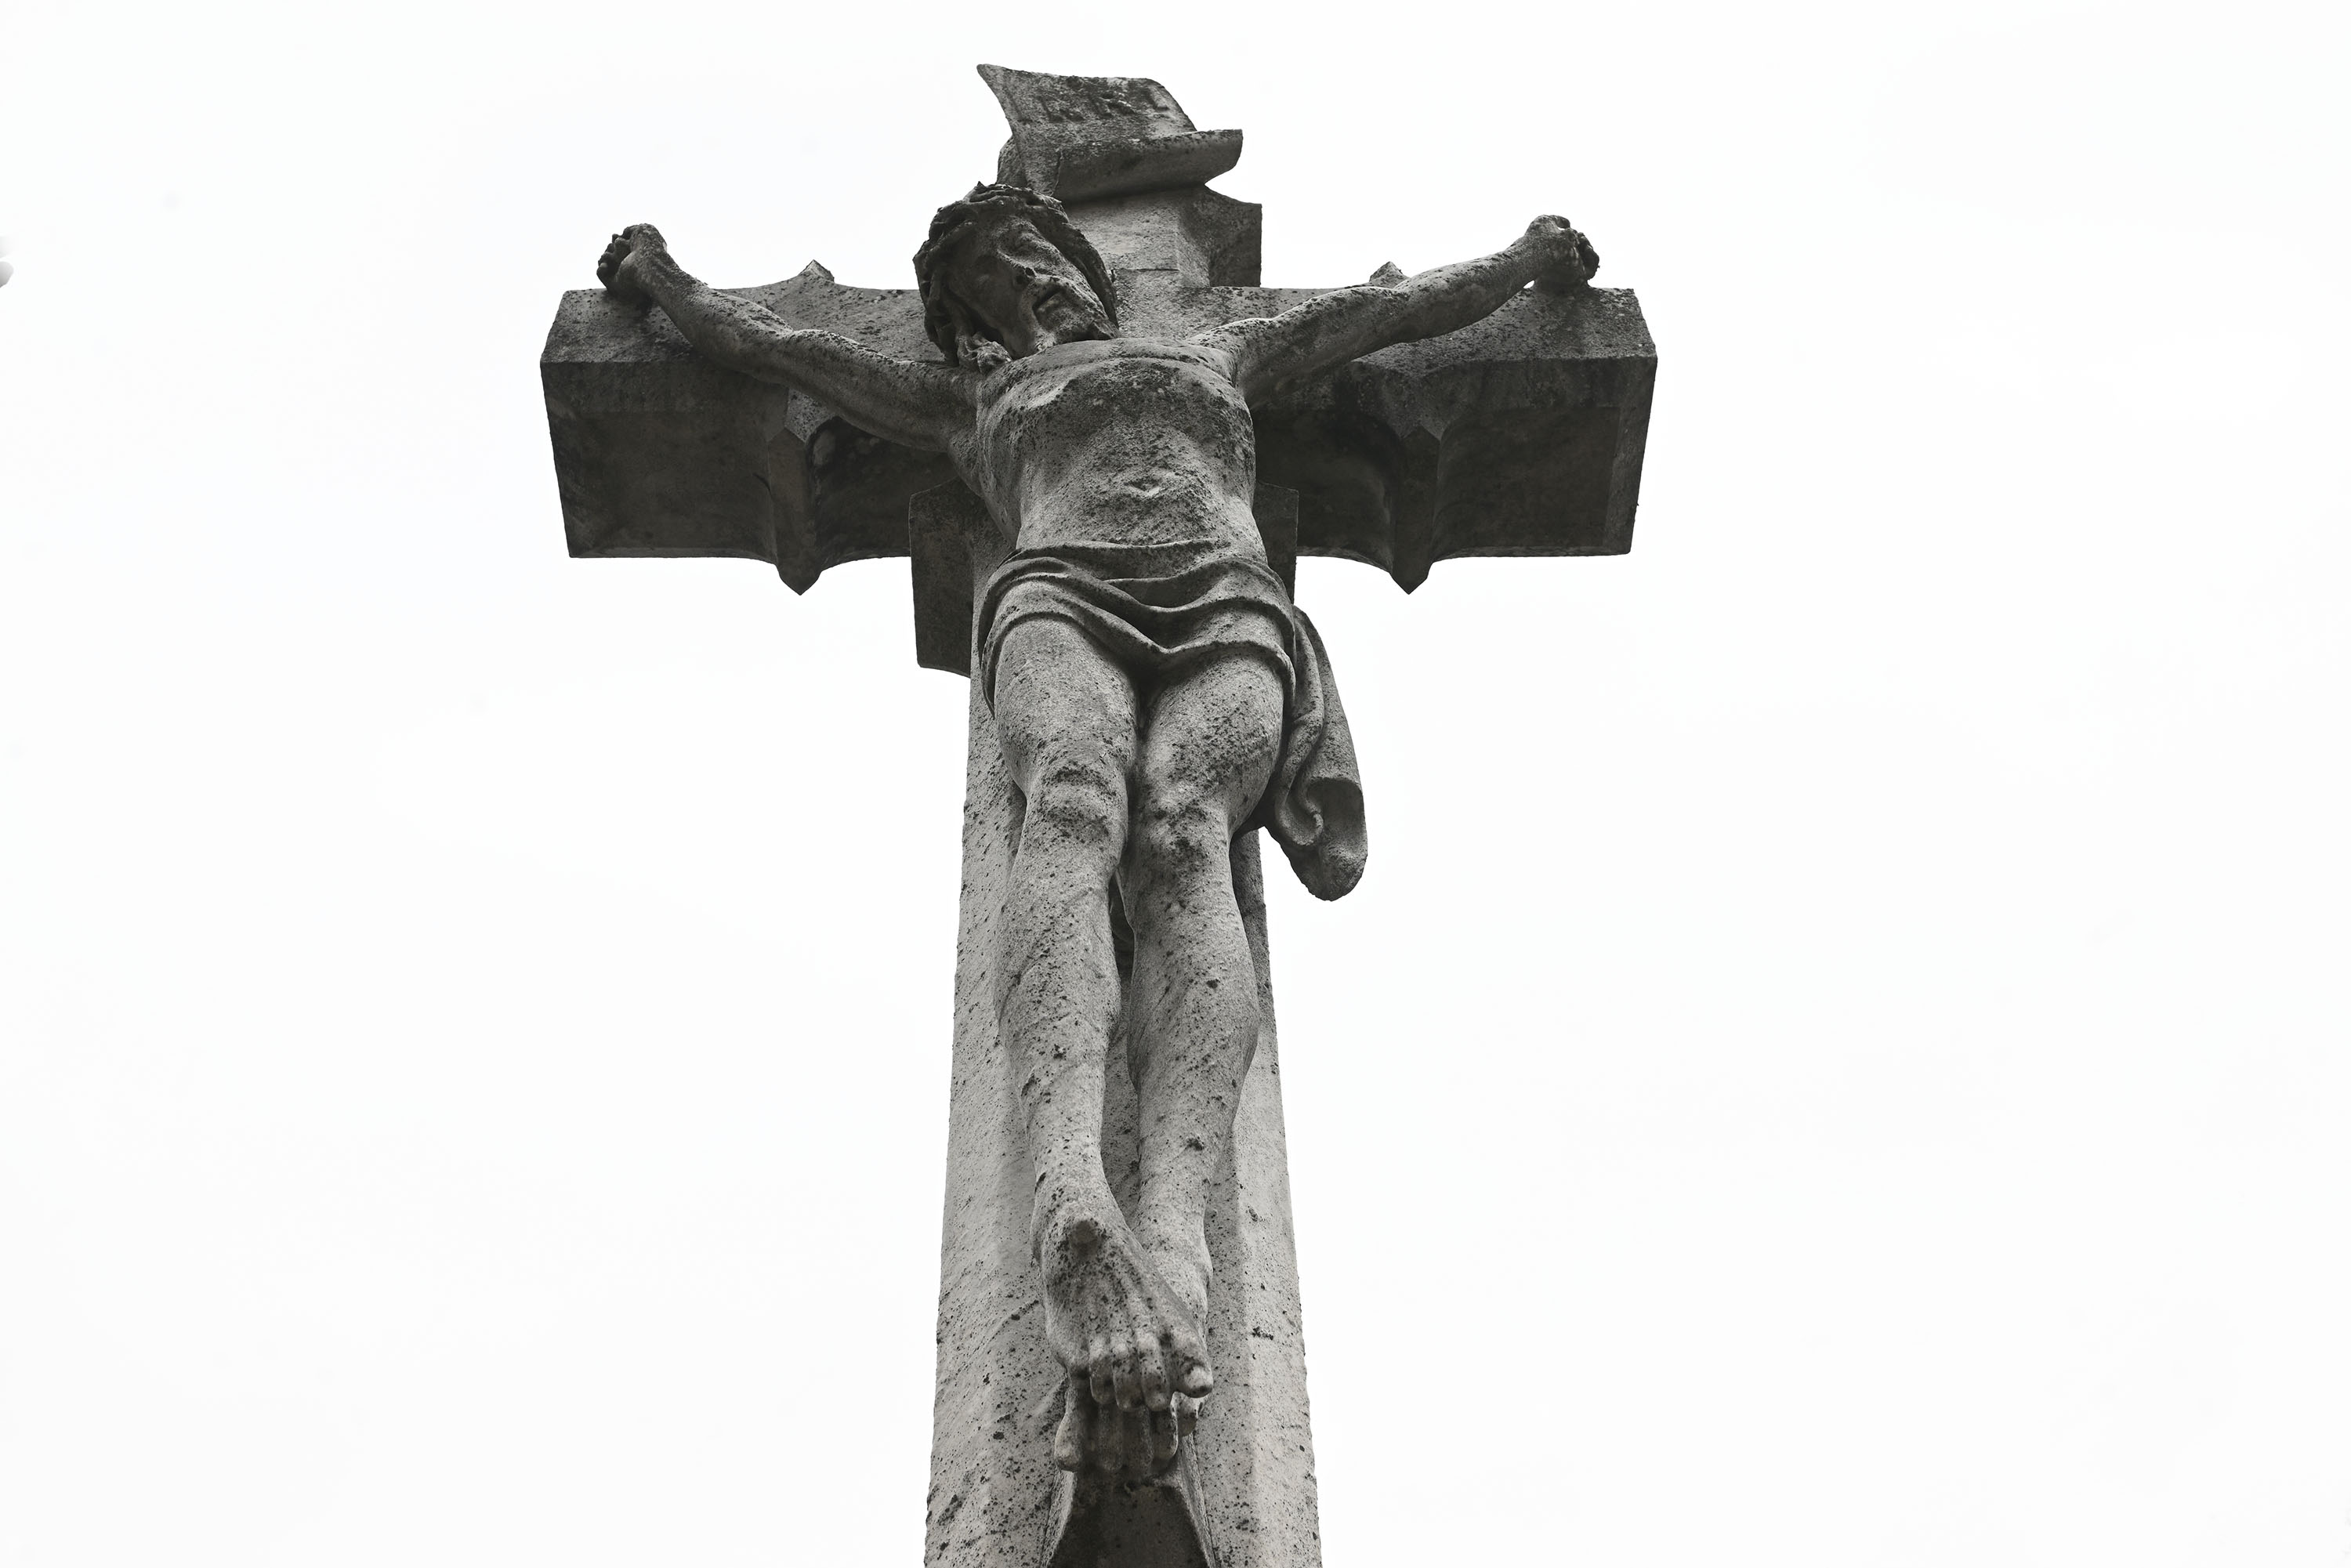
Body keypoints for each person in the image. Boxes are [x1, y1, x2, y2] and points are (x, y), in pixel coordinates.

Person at [597, 190, 1597, 1475]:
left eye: (1033, 257)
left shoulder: (1216, 351)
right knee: (1071, 795)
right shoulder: (972, 404)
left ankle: (1172, 1227)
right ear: (968, 324)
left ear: (1076, 259)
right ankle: (1069, 1185)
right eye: (994, 284)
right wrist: (670, 285)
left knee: (1186, 833)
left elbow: (1390, 312)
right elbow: (785, 351)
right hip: (1059, 587)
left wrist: (1523, 261)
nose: (1029, 284)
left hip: (1222, 593)